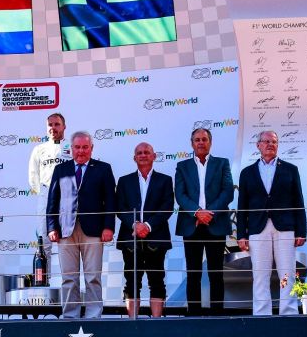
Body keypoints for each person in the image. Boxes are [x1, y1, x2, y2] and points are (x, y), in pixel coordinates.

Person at [46, 131, 116, 318]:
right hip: (65, 231)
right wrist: (52, 227)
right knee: (69, 278)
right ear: (71, 148)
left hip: (94, 230)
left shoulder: (103, 169)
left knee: (93, 277)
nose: (81, 151)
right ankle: (70, 315)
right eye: (77, 147)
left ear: (92, 148)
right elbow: (52, 200)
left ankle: (93, 315)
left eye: (85, 147)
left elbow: (110, 200)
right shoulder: (60, 169)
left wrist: (108, 227)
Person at [237, 130, 307, 316]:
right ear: (258, 145)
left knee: (287, 274)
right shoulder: (247, 173)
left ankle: (289, 313)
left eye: (274, 142)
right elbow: (242, 205)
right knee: (260, 274)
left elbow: (298, 201)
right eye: (266, 141)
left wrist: (301, 231)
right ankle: (262, 315)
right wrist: (241, 234)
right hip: (257, 229)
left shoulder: (291, 169)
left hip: (285, 228)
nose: (270, 144)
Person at [175, 128, 233, 315]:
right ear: (191, 143)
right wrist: (197, 213)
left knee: (216, 273)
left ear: (210, 142)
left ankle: (217, 315)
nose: (201, 142)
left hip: (216, 224)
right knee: (193, 273)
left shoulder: (222, 163)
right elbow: (180, 195)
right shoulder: (182, 166)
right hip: (191, 225)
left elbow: (227, 192)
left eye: (204, 139)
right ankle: (194, 315)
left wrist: (209, 213)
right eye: (197, 139)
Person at [116, 142, 173, 318]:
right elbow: (120, 207)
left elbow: (167, 207)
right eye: (139, 153)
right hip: (130, 238)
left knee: (157, 281)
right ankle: (133, 323)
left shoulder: (165, 180)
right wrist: (135, 224)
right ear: (134, 158)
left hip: (156, 237)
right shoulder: (124, 181)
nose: (143, 155)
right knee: (132, 281)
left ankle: (156, 324)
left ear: (154, 156)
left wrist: (147, 226)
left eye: (146, 152)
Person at [28, 113, 71, 279]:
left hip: (67, 196)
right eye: (50, 125)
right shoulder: (39, 149)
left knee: (67, 242)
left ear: (64, 126)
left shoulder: (71, 146)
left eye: (57, 124)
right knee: (43, 241)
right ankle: (43, 281)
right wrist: (45, 193)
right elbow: (33, 176)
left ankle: (69, 281)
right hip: (46, 196)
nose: (53, 128)